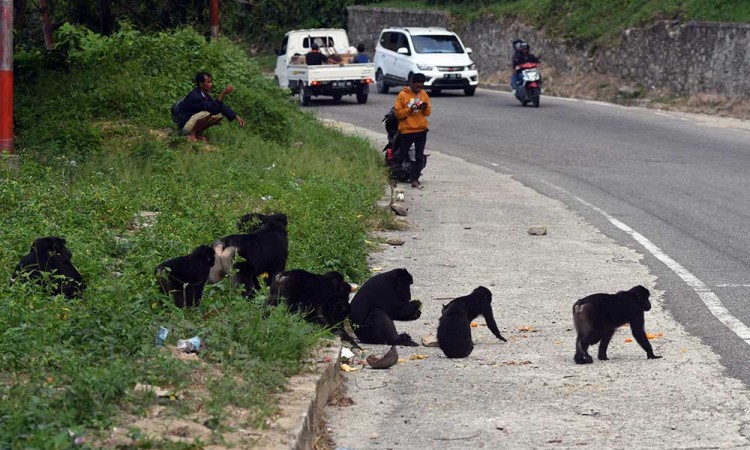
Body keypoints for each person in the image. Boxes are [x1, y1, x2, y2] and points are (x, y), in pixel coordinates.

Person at [177, 72, 245, 142]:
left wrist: (236, 116)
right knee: (206, 113)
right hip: (184, 125)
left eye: (211, 82)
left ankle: (199, 133)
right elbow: (213, 109)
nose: (211, 84)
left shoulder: (204, 94)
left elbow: (218, 106)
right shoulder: (195, 96)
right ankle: (191, 135)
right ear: (201, 84)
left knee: (219, 115)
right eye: (208, 82)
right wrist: (223, 94)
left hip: (191, 122)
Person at [394, 73, 431, 188]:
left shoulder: (423, 94)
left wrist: (424, 109)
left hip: (421, 130)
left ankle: (415, 179)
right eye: (417, 86)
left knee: (419, 156)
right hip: (407, 131)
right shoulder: (402, 95)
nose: (419, 89)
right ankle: (393, 177)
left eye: (421, 86)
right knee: (401, 155)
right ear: (412, 83)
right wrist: (410, 109)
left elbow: (428, 113)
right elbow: (398, 114)